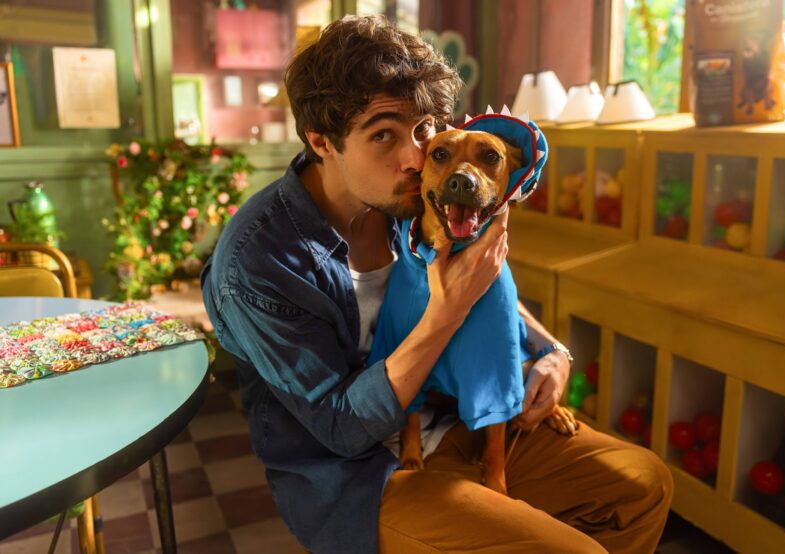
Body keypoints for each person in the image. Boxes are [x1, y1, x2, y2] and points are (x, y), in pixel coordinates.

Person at [201, 15, 673, 554]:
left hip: (461, 415)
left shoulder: (414, 200)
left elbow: (480, 288)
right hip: (362, 473)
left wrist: (551, 350)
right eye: (383, 135)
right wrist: (445, 315)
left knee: (643, 486)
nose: (415, 158)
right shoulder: (257, 261)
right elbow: (340, 428)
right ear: (322, 141)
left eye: (424, 128)